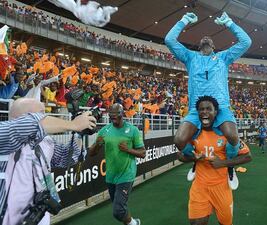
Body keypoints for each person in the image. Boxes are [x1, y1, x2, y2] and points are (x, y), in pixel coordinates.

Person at [165, 11, 251, 189]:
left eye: (209, 39)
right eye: (202, 39)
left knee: (232, 135)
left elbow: (246, 42)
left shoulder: (223, 57)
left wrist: (229, 23)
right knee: (179, 140)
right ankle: (196, 160)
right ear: (199, 46)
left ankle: (229, 165)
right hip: (197, 110)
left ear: (213, 46)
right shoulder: (190, 57)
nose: (205, 39)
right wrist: (183, 21)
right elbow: (169, 40)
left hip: (221, 108)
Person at [2, 98, 86, 225]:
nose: (47, 117)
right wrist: (74, 124)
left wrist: (80, 133)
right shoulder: (4, 135)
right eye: (41, 114)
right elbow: (30, 125)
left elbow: (68, 157)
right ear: (22, 117)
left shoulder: (46, 141)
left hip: (38, 215)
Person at [177, 96, 252, 225]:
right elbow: (180, 156)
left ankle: (231, 172)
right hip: (200, 187)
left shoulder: (226, 133)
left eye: (208, 109)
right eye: (201, 109)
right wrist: (192, 158)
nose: (204, 112)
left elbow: (248, 156)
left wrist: (223, 163)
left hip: (221, 188)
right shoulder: (193, 133)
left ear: (215, 112)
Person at [89, 103, 145, 225]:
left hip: (126, 174)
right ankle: (132, 223)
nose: (113, 117)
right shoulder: (105, 130)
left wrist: (128, 150)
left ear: (122, 114)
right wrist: (97, 144)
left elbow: (143, 153)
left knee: (118, 210)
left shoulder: (133, 130)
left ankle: (134, 223)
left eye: (115, 115)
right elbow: (92, 153)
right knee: (120, 208)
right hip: (111, 176)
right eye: (111, 115)